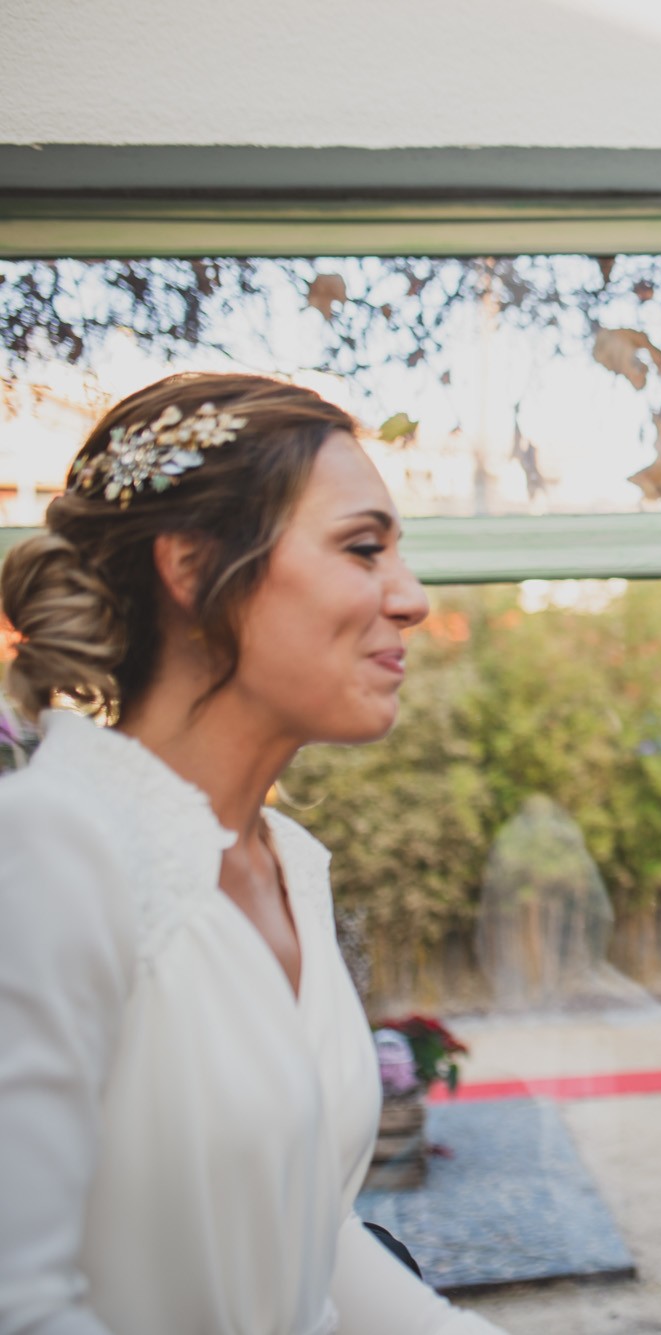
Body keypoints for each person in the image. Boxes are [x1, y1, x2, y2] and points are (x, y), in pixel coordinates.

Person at [0, 373, 503, 1335]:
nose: (413, 599)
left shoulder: (295, 868)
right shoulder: (51, 852)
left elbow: (312, 1234)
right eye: (364, 548)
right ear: (190, 568)